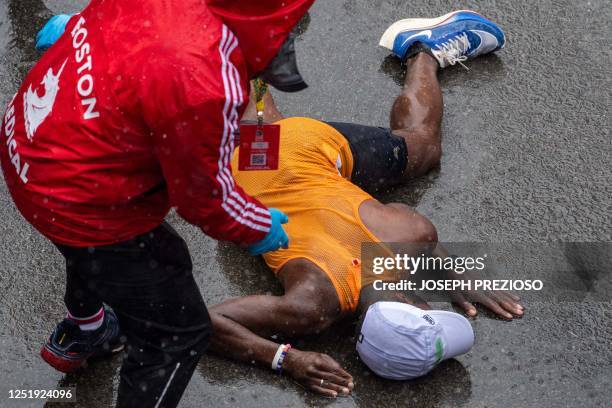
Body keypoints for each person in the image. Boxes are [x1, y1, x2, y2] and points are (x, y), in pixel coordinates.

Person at [0, 1, 314, 407]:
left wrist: (77, 26)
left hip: (34, 146)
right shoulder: (206, 82)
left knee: (97, 254)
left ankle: (87, 326)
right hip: (79, 196)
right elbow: (203, 197)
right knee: (177, 332)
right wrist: (255, 225)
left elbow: (110, 26)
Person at [208, 10, 523, 398]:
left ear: (411, 299)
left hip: (291, 155)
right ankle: (243, 39)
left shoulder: (408, 238)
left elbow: (201, 322)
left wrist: (285, 360)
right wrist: (286, 356)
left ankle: (423, 51)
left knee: (421, 143)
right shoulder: (314, 307)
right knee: (260, 121)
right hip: (255, 173)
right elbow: (212, 319)